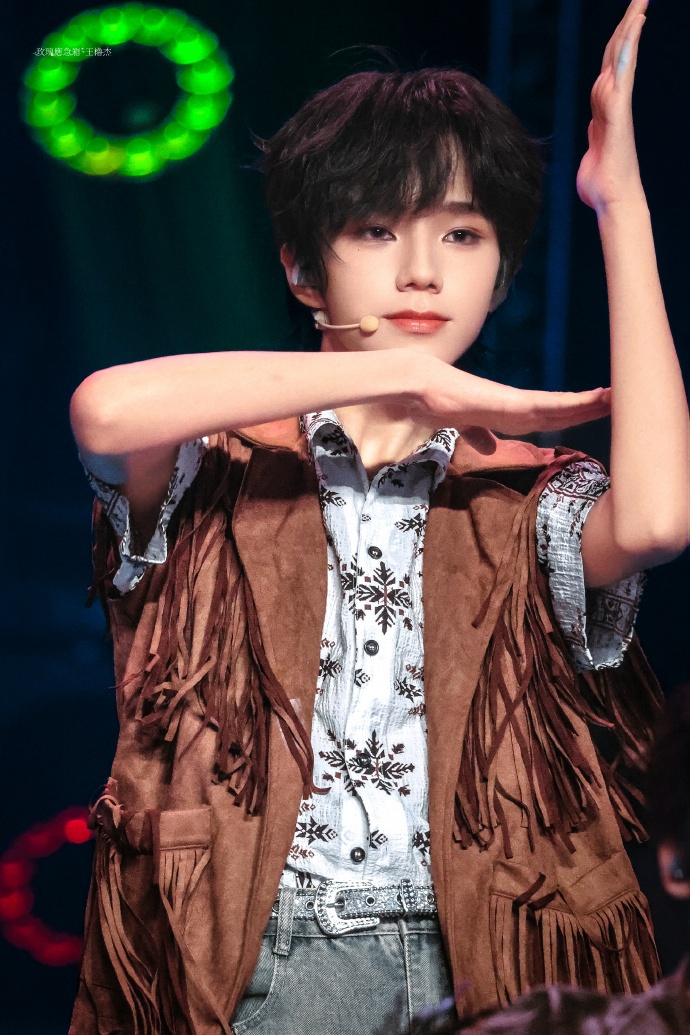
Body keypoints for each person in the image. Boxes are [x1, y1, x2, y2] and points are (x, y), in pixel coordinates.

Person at [68, 1, 689, 1032]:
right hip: (261, 954)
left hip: (493, 948)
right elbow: (104, 408)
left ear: (502, 271)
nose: (422, 270)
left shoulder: (526, 495)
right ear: (301, 267)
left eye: (463, 233)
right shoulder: (213, 465)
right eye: (375, 229)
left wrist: (620, 206)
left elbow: (660, 520)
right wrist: (403, 373)